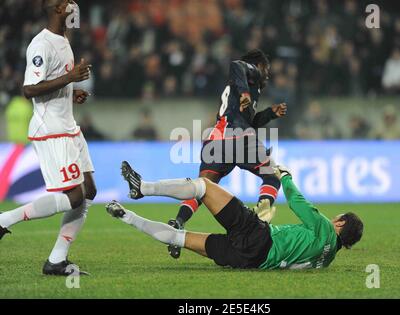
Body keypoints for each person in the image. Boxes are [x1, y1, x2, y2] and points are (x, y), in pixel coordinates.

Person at [125, 49, 287, 260]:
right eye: (267, 69)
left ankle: (177, 221)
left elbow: (251, 121)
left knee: (202, 188)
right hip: (237, 137)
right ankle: (260, 216)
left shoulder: (246, 89)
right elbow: (236, 63)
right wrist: (246, 92)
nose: (268, 74)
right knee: (272, 175)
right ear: (258, 65)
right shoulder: (251, 73)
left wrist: (270, 114)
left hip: (216, 140)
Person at [108, 162, 363, 270]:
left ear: (339, 223)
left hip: (258, 237)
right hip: (251, 261)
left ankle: (144, 188)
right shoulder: (326, 259)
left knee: (204, 186)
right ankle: (126, 216)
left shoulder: (324, 228)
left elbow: (297, 203)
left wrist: (284, 175)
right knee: (179, 238)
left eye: (335, 218)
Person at [0, 0, 96, 276]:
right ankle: (4, 219)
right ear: (56, 8)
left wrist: (71, 92)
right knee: (75, 197)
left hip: (68, 126)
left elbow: (54, 85)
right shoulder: (40, 44)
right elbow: (29, 89)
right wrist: (69, 79)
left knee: (88, 191)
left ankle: (56, 260)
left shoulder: (63, 39)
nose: (72, 4)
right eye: (66, 1)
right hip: (51, 130)